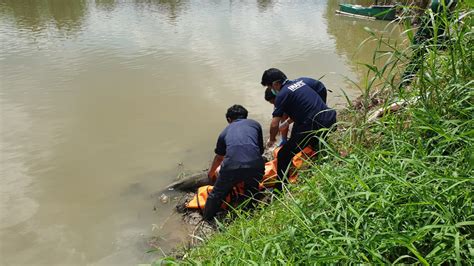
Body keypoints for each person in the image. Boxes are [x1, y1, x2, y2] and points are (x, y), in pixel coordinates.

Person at [261, 68, 336, 190]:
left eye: (270, 87)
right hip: (331, 119)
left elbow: (274, 124)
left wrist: (272, 140)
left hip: (315, 125)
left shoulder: (282, 94)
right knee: (305, 138)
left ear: (275, 84)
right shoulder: (301, 83)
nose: (272, 90)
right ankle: (321, 152)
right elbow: (306, 107)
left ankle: (280, 188)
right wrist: (288, 123)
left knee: (283, 154)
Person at [203, 105, 265, 221]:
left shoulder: (224, 132)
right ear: (246, 117)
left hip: (232, 167)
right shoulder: (255, 125)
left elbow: (219, 158)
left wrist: (211, 174)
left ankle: (207, 219)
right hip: (256, 165)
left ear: (229, 119)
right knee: (252, 189)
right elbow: (260, 150)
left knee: (216, 194)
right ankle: (251, 214)